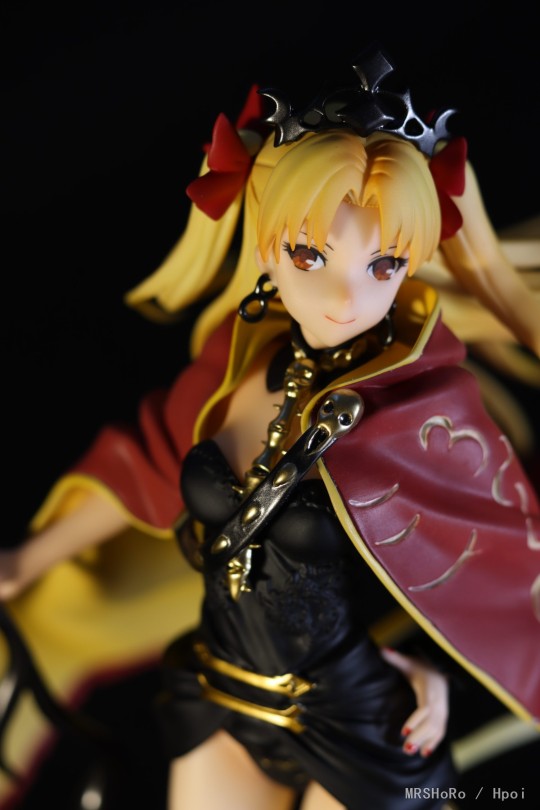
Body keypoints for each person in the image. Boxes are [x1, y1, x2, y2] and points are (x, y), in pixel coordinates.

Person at [1, 47, 539, 809]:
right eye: (311, 254)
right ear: (266, 246)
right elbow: (147, 467)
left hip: (356, 719)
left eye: (384, 264)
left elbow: (489, 563)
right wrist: (27, 559)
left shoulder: (423, 410)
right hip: (221, 693)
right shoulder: (237, 363)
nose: (347, 297)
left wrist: (429, 672)